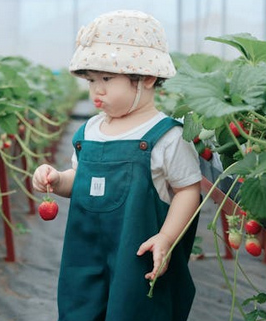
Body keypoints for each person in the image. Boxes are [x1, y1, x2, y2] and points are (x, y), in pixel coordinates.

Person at [32, 10, 201, 321]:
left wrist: (165, 237)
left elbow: (188, 190)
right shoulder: (89, 132)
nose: (97, 89)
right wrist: (57, 180)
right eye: (92, 79)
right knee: (78, 311)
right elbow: (80, 180)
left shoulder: (167, 136)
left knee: (135, 312)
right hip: (83, 259)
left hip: (138, 261)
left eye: (107, 78)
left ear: (147, 77)